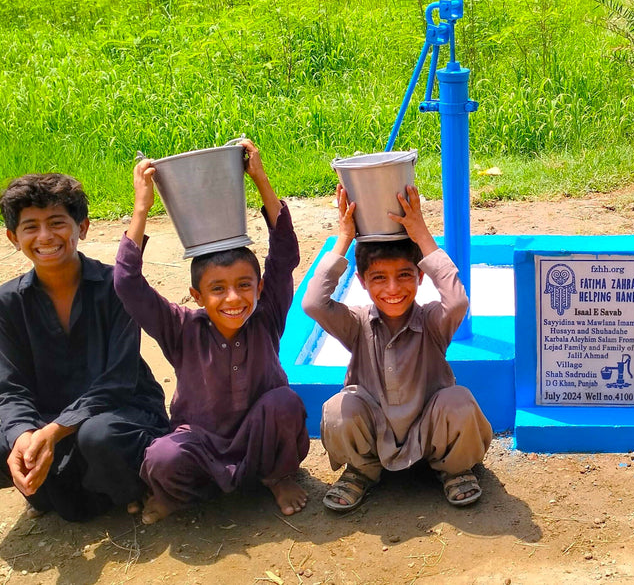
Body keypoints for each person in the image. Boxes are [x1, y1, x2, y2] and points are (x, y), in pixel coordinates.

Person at [113, 140, 308, 523]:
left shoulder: (267, 316)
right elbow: (127, 284)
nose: (234, 298)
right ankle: (180, 496)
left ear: (260, 288)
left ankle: (277, 476)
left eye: (244, 285)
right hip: (201, 447)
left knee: (284, 403)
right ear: (196, 295)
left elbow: (283, 254)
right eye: (218, 289)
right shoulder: (181, 328)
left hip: (260, 442)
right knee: (162, 458)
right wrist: (141, 208)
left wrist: (260, 180)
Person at [302, 184, 492, 513]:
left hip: (430, 432)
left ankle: (454, 469)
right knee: (337, 408)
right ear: (361, 281)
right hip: (377, 433)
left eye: (404, 275)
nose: (393, 289)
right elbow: (313, 302)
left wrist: (421, 235)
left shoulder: (433, 321)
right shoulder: (356, 323)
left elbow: (458, 299)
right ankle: (361, 471)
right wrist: (344, 238)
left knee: (457, 400)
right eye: (379, 278)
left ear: (420, 277)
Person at [0, 173, 169, 521]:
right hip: (49, 421)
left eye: (57, 223)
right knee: (14, 435)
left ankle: (128, 488)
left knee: (99, 435)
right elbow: (9, 389)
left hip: (121, 413)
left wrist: (55, 430)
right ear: (13, 237)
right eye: (31, 227)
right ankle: (61, 489)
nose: (45, 237)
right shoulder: (6, 303)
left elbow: (119, 380)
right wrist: (24, 435)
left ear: (83, 227)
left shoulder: (116, 287)